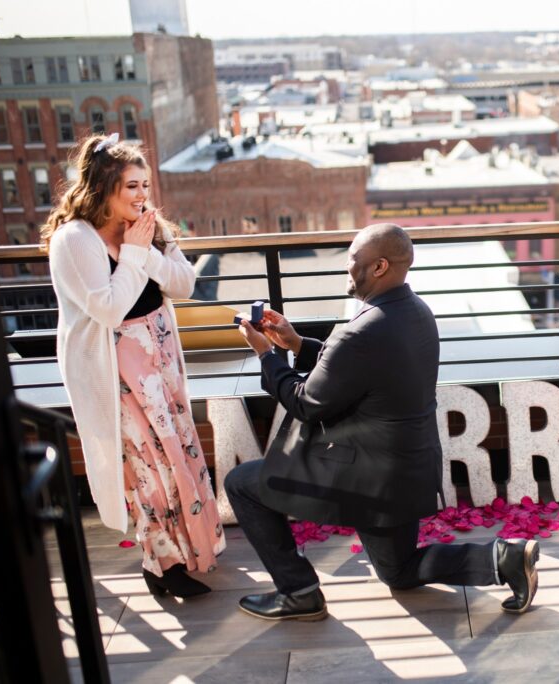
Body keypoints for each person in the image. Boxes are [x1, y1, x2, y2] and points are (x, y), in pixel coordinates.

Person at [226, 223, 539, 621]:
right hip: (408, 471)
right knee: (399, 570)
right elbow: (360, 368)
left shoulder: (361, 332)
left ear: (379, 266)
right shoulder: (416, 312)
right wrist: (298, 345)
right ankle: (505, 558)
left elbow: (307, 403)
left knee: (242, 484)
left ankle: (298, 592)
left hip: (366, 478)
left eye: (352, 261)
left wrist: (267, 356)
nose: (346, 268)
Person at [42, 134, 224, 599]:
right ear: (103, 187)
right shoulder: (75, 239)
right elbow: (109, 310)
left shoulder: (147, 224)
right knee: (148, 466)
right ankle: (159, 563)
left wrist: (148, 250)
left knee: (178, 454)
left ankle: (189, 550)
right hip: (116, 369)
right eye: (132, 187)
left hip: (160, 355)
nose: (143, 196)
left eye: (145, 185)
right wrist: (136, 255)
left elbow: (184, 283)